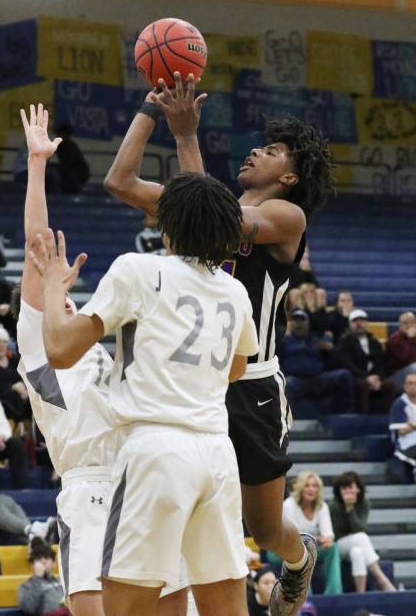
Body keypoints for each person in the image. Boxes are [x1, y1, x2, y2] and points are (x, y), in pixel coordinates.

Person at [103, 72, 336, 616]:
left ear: (291, 175)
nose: (256, 150)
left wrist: (187, 136)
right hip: (196, 384)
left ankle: (298, 556)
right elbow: (119, 182)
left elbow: (212, 222)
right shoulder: (213, 202)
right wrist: (150, 109)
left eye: (272, 150)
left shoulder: (286, 217)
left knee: (261, 525)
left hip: (252, 384)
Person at [32, 126, 260, 615]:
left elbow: (59, 351)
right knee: (226, 605)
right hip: (218, 454)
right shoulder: (232, 290)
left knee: (127, 608)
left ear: (167, 223)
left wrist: (54, 290)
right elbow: (236, 367)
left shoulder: (138, 269)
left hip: (156, 450)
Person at [17, 104, 189, 616]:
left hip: (142, 478)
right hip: (89, 485)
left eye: (74, 298)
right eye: (61, 297)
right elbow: (36, 245)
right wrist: (37, 163)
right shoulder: (37, 349)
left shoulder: (101, 352)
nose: (71, 299)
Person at [270, 471, 342, 595]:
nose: (311, 489)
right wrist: (319, 539)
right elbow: (295, 539)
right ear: (300, 488)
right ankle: (306, 596)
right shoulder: (289, 505)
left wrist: (328, 539)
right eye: (307, 485)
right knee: (302, 551)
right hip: (281, 551)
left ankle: (334, 592)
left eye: (315, 486)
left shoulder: (322, 506)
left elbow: (328, 534)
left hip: (309, 548)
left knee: (333, 548)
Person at [329, 471, 396, 593]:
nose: (348, 492)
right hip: (336, 547)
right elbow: (338, 534)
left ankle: (361, 593)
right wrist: (348, 508)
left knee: (358, 552)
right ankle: (381, 579)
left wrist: (350, 509)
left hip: (354, 545)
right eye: (344, 488)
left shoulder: (364, 503)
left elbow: (359, 527)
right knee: (361, 538)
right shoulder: (334, 506)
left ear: (358, 489)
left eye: (350, 488)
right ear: (339, 491)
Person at [279, 309, 354, 417]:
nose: (299, 323)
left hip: (318, 379)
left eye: (302, 320)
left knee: (344, 375)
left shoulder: (317, 339)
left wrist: (331, 350)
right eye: (296, 320)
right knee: (287, 384)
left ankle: (346, 417)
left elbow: (335, 361)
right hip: (296, 381)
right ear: (291, 324)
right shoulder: (284, 341)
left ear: (308, 323)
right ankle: (287, 422)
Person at [335, 309, 397, 414]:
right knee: (363, 386)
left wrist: (377, 377)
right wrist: (366, 377)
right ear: (350, 324)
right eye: (355, 321)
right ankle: (363, 420)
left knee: (389, 385)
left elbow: (381, 362)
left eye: (362, 321)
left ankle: (388, 418)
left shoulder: (374, 342)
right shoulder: (344, 342)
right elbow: (348, 364)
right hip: (356, 376)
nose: (359, 324)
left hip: (374, 376)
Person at [0, 327, 30, 424]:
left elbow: (24, 377)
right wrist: (13, 387)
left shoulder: (14, 360)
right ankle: (19, 426)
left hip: (20, 396)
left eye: (4, 342)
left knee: (35, 396)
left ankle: (34, 432)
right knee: (13, 395)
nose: (1, 345)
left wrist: (25, 389)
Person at [18, 538, 68, 616]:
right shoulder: (26, 586)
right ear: (32, 565)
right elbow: (29, 609)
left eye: (47, 558)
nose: (43, 561)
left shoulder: (62, 581)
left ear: (54, 563)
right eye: (38, 559)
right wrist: (38, 578)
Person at [388, 372, 416, 483]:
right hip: (406, 443)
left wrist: (412, 425)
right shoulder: (399, 404)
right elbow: (401, 431)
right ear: (405, 386)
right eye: (410, 383)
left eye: (415, 383)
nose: (413, 386)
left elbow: (409, 427)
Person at [54, 123, 90, 194]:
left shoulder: (71, 147)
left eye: (61, 135)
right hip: (70, 173)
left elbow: (68, 163)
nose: (59, 137)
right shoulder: (58, 147)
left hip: (78, 173)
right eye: (58, 135)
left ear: (67, 136)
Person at [386, 311, 416, 392]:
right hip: (396, 376)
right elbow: (407, 359)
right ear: (400, 325)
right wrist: (411, 339)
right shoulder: (394, 340)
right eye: (405, 323)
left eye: (412, 322)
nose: (409, 326)